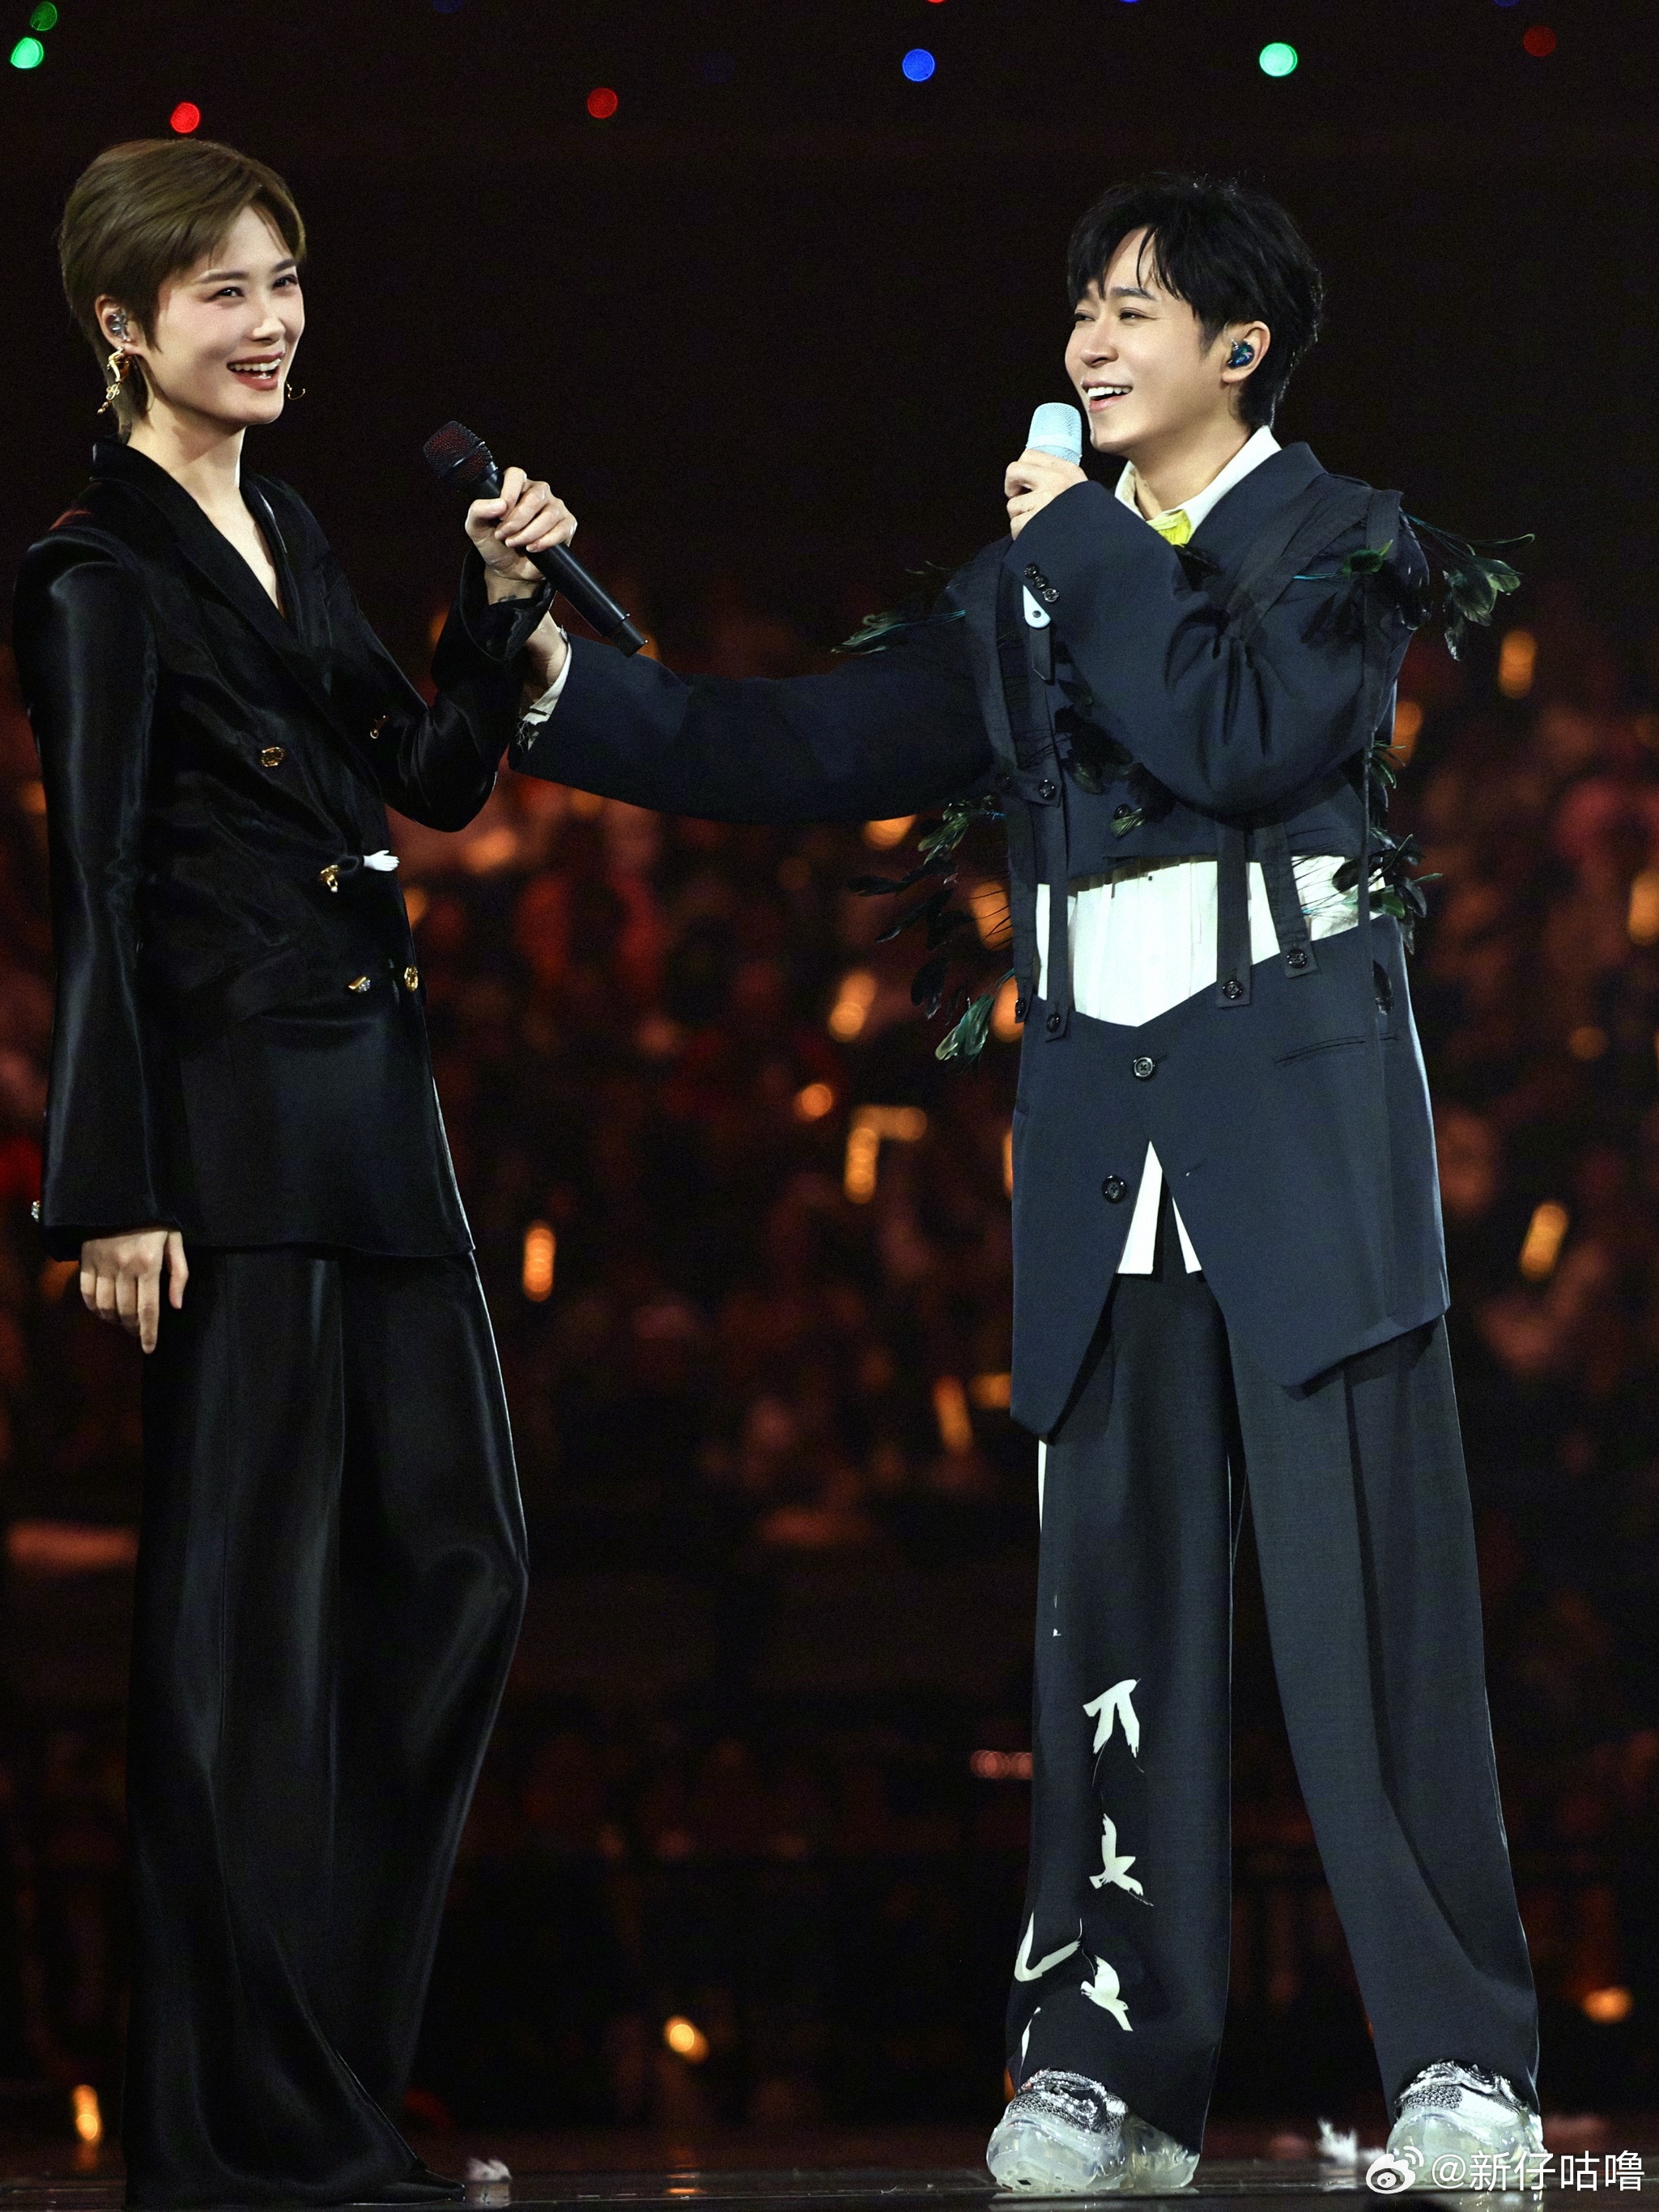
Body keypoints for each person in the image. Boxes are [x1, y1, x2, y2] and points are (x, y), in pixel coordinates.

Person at [504, 173, 1542, 2190]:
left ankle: (1458, 2066)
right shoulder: (1034, 575)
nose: (1088, 335)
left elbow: (1240, 738)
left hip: (1304, 1150)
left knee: (1369, 1625)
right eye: (1081, 301)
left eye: (1135, 307)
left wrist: (1075, 540)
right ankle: (1100, 2069)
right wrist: (557, 684)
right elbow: (813, 743)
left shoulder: (1339, 542)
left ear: (1238, 348)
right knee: (1110, 1631)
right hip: (1100, 1155)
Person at [14, 138, 572, 2207]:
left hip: (378, 1121)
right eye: (224, 292)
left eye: (283, 283)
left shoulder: (291, 526)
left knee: (461, 1568)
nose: (271, 324)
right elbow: (92, 885)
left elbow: (425, 777)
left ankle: (321, 2074)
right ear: (123, 326)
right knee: (240, 1642)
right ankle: (237, 2129)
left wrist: (493, 609)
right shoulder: (96, 573)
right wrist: (107, 1182)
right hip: (228, 1136)